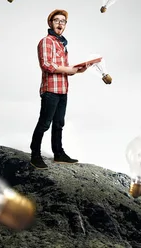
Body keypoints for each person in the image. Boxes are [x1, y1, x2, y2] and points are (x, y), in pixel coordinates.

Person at [29, 9, 87, 169]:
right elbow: (46, 65)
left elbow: (62, 68)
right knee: (44, 123)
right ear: (50, 23)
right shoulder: (46, 41)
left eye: (63, 21)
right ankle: (35, 155)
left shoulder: (62, 44)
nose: (60, 23)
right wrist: (68, 70)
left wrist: (76, 70)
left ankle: (58, 153)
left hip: (63, 89)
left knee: (59, 123)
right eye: (57, 20)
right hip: (51, 90)